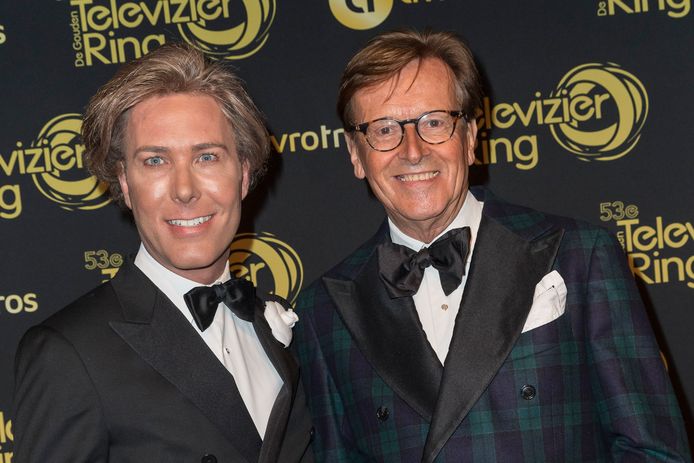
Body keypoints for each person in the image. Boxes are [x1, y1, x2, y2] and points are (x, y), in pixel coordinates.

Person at [293, 29, 691, 462]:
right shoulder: (324, 311)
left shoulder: (581, 256)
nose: (413, 151)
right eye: (384, 129)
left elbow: (653, 451)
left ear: (469, 137)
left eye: (434, 122)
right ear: (356, 154)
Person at [13, 43, 313, 463]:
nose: (184, 190)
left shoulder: (278, 324)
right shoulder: (70, 354)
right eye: (155, 161)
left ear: (243, 174)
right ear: (124, 182)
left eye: (207, 157)